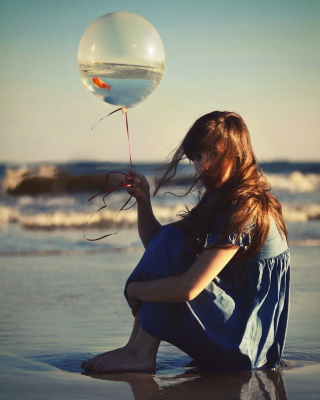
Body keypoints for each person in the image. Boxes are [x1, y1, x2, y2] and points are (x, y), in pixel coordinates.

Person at [81, 111, 290, 373]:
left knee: (172, 251)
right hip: (233, 332)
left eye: (213, 154)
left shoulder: (245, 207)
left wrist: (135, 290)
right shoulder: (222, 197)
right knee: (171, 238)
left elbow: (189, 288)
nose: (204, 166)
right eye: (197, 157)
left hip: (245, 347)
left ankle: (140, 352)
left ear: (237, 153)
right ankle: (136, 348)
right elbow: (160, 245)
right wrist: (144, 202)